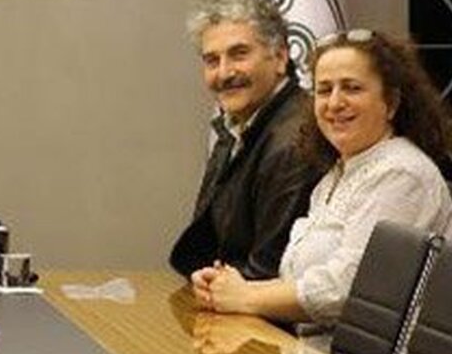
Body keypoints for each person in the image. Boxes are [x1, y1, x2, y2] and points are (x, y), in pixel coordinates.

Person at [192, 30, 452, 326]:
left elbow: (348, 290)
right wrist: (225, 287)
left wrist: (245, 297)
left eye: (352, 88)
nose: (335, 103)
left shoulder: (401, 174)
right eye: (324, 90)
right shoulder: (335, 176)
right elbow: (300, 281)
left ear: (391, 102)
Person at [170, 0, 319, 280]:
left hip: (258, 303)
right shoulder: (237, 124)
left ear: (280, 57)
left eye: (239, 54)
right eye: (212, 60)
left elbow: (268, 270)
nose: (224, 73)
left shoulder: (297, 140)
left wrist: (214, 284)